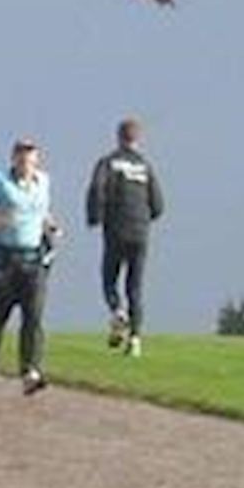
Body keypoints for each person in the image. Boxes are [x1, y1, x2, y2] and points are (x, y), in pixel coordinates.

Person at [0, 138, 61, 396]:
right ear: (13, 159)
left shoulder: (43, 182)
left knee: (33, 316)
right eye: (21, 158)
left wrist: (51, 226)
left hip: (34, 258)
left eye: (30, 159)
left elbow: (43, 212)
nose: (26, 164)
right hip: (5, 258)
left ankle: (30, 371)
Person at [86, 118, 164, 357]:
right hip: (140, 232)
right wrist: (144, 217)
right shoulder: (146, 166)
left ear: (118, 137)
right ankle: (136, 339)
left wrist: (95, 216)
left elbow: (97, 189)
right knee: (135, 286)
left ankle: (117, 310)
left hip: (116, 230)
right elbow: (158, 204)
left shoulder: (108, 163)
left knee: (109, 278)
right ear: (138, 139)